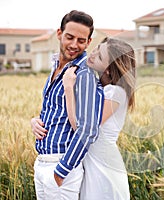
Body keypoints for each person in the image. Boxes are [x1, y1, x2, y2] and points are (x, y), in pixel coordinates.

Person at [30, 10, 104, 199]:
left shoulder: (83, 74)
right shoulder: (57, 68)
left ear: (88, 42)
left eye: (81, 40)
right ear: (59, 34)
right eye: (69, 37)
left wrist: (62, 171)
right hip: (42, 164)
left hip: (61, 166)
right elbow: (54, 109)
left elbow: (88, 129)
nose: (74, 45)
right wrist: (35, 121)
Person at [62, 37, 136, 199]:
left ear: (109, 69)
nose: (93, 54)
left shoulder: (115, 93)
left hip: (103, 168)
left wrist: (68, 88)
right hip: (92, 163)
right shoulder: (98, 87)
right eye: (96, 48)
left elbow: (84, 128)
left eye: (100, 56)